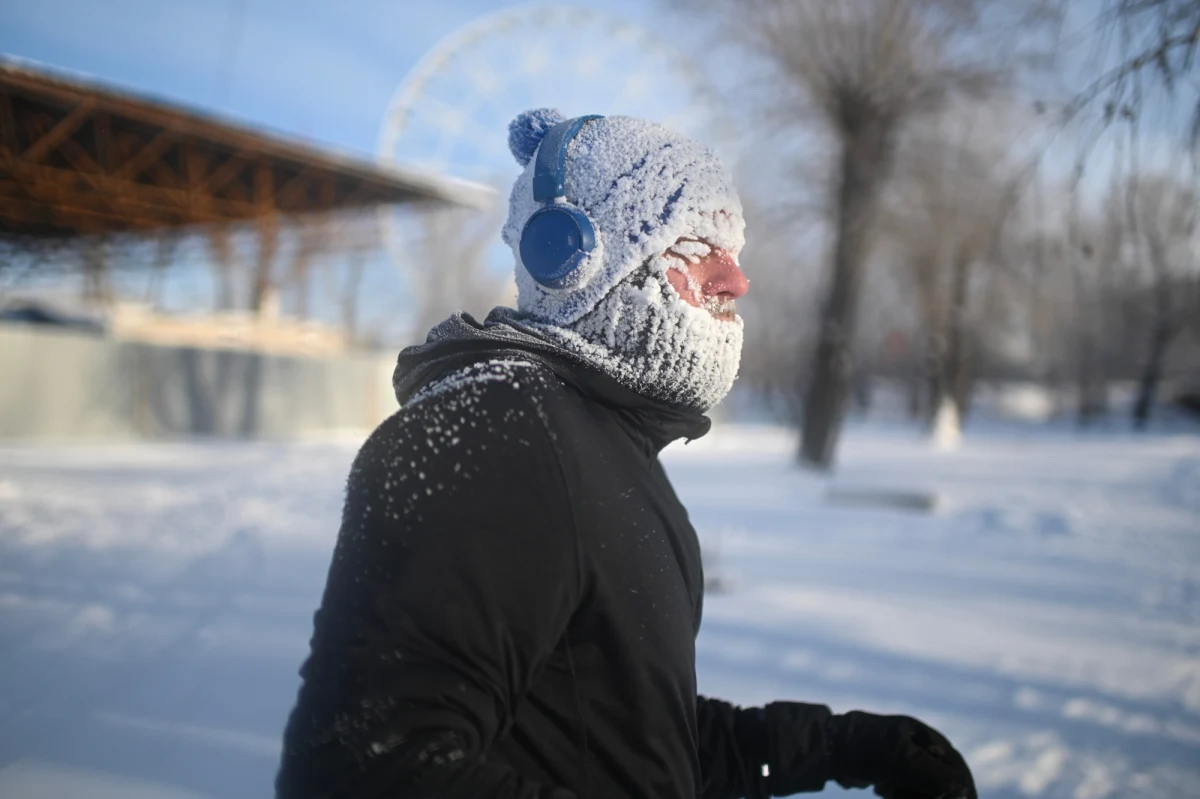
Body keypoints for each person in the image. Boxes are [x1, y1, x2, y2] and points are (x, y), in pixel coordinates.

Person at [276, 109, 976, 799]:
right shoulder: (497, 432)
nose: (737, 280)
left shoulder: (598, 444)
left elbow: (628, 740)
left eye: (736, 251)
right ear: (574, 260)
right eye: (697, 245)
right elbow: (362, 771)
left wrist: (842, 746)